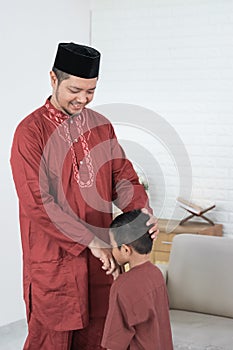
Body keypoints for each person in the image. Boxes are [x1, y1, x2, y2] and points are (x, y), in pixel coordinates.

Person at [10, 42, 159, 350]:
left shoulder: (100, 126)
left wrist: (140, 213)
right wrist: (88, 241)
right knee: (50, 340)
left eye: (90, 91)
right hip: (57, 262)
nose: (83, 99)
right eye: (75, 90)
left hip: (102, 260)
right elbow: (38, 202)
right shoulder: (30, 132)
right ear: (53, 79)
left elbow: (123, 177)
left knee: (103, 337)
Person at [101, 209, 173, 350]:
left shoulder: (122, 287)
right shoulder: (156, 274)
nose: (111, 250)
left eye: (113, 246)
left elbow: (115, 342)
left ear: (126, 250)